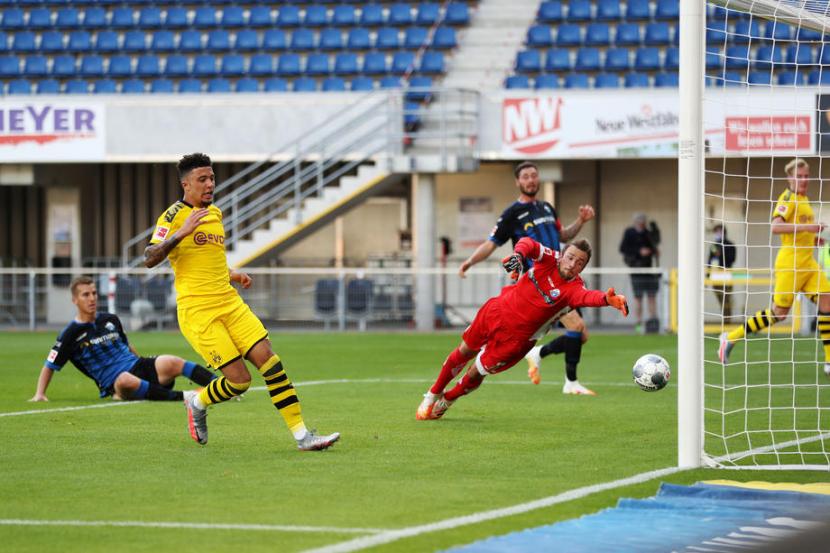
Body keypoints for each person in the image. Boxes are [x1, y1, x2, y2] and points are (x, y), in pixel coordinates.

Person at [144, 153, 339, 451]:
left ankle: (303, 436)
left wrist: (232, 274)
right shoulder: (172, 216)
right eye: (202, 179)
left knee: (270, 362)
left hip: (229, 303)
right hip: (199, 313)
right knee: (239, 382)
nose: (210, 184)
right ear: (186, 184)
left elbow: (208, 260)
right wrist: (182, 232)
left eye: (212, 178)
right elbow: (149, 258)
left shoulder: (216, 214)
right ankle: (198, 401)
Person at [417, 237, 629, 420]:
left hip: (516, 341)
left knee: (476, 371)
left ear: (583, 268)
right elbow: (528, 243)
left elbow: (587, 297)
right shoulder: (549, 258)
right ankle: (432, 394)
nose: (573, 264)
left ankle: (448, 400)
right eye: (571, 257)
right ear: (562, 255)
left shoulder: (574, 288)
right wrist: (518, 255)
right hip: (496, 312)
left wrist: (607, 299)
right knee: (464, 351)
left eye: (580, 262)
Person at [458, 161, 599, 396]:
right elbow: (491, 243)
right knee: (576, 326)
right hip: (538, 285)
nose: (531, 180)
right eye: (526, 176)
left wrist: (581, 221)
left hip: (561, 280)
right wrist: (470, 262)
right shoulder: (512, 214)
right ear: (518, 182)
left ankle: (539, 354)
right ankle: (571, 383)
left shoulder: (546, 208)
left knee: (581, 335)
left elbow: (563, 235)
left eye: (534, 175)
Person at [720, 158, 830, 376]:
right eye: (799, 176)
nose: (804, 180)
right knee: (779, 314)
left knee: (828, 301)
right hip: (791, 264)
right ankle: (730, 337)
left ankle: (829, 361)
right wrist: (809, 226)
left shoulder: (804, 199)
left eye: (807, 176)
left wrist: (813, 238)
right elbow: (776, 226)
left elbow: (797, 232)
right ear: (790, 178)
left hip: (808, 263)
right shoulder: (787, 198)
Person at [29, 275, 216, 403]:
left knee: (171, 361)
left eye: (94, 293)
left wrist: (146, 361)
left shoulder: (109, 319)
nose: (92, 298)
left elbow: (127, 345)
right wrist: (39, 393)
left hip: (138, 367)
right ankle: (186, 397)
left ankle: (220, 386)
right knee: (125, 380)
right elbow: (50, 365)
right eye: (86, 295)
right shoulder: (69, 334)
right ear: (75, 300)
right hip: (115, 382)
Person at [619, 213, 661, 333]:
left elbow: (654, 247)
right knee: (638, 297)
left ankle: (653, 322)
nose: (642, 225)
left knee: (651, 295)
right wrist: (639, 251)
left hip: (649, 269)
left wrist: (651, 251)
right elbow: (623, 248)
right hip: (636, 268)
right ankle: (638, 323)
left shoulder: (648, 233)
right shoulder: (629, 232)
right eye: (639, 222)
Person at [707, 224, 737, 321]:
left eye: (719, 231)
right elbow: (710, 261)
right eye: (716, 232)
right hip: (715, 275)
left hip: (726, 274)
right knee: (720, 300)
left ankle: (727, 322)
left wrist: (721, 253)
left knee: (727, 300)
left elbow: (732, 259)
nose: (717, 234)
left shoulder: (730, 245)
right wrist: (708, 276)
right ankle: (725, 320)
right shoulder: (713, 246)